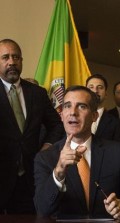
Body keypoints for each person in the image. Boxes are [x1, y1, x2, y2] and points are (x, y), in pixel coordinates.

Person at [34, 85, 120, 219]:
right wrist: (59, 172)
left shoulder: (118, 152)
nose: (73, 112)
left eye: (81, 106)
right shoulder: (45, 158)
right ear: (61, 115)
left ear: (94, 116)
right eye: (67, 106)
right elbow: (42, 209)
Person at [0, 39, 64, 214]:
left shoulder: (37, 93)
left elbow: (57, 125)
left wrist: (47, 146)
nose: (11, 62)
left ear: (21, 61)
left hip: (31, 178)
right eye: (5, 57)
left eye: (16, 57)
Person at [86, 74, 120, 142]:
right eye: (91, 87)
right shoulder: (73, 117)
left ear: (106, 94)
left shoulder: (117, 124)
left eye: (100, 87)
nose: (95, 91)